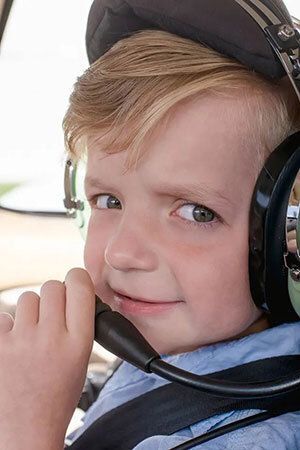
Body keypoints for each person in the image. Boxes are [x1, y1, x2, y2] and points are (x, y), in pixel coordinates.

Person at [1, 4, 300, 450]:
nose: (120, 254)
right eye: (109, 201)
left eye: (196, 212)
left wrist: (26, 431)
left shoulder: (256, 438)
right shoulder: (179, 356)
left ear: (285, 235)